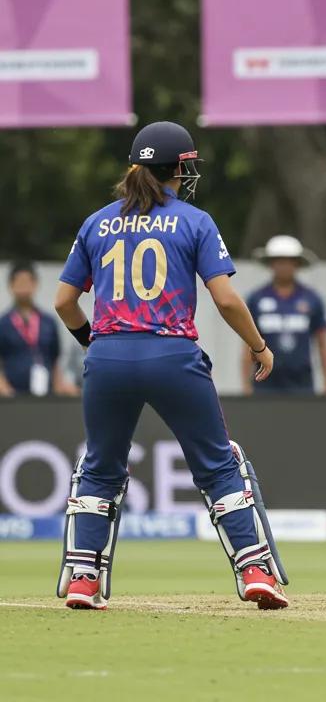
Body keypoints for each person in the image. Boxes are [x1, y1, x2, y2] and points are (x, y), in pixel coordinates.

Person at [53, 121, 288, 611]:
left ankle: (82, 579)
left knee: (100, 468)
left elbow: (64, 302)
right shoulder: (194, 221)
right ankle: (253, 570)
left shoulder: (97, 222)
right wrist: (258, 345)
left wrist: (94, 343)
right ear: (180, 167)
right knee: (218, 463)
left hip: (109, 356)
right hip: (172, 355)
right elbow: (225, 301)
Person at [243, 235, 326, 395]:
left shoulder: (312, 299)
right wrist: (246, 386)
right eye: (278, 261)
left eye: (288, 261)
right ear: (271, 264)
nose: (283, 266)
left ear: (297, 263)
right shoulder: (256, 299)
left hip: (302, 383)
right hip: (264, 383)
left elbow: (323, 344)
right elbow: (247, 345)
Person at [0, 262, 76, 397]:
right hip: (12, 396)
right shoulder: (3, 323)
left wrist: (60, 387)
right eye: (19, 282)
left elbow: (55, 360)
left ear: (35, 284)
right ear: (10, 285)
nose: (23, 287)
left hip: (46, 395)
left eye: (27, 282)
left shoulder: (48, 322)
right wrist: (5, 390)